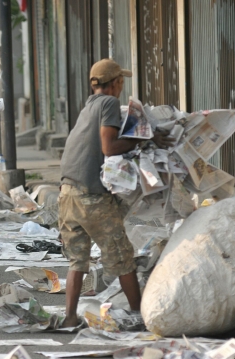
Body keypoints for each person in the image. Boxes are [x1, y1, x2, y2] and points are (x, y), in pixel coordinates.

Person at [58, 58, 174, 328]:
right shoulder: (109, 103)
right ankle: (139, 315)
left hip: (67, 192)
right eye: (121, 80)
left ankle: (69, 317)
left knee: (78, 259)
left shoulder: (89, 105)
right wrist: (146, 137)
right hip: (90, 196)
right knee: (122, 256)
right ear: (117, 83)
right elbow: (109, 147)